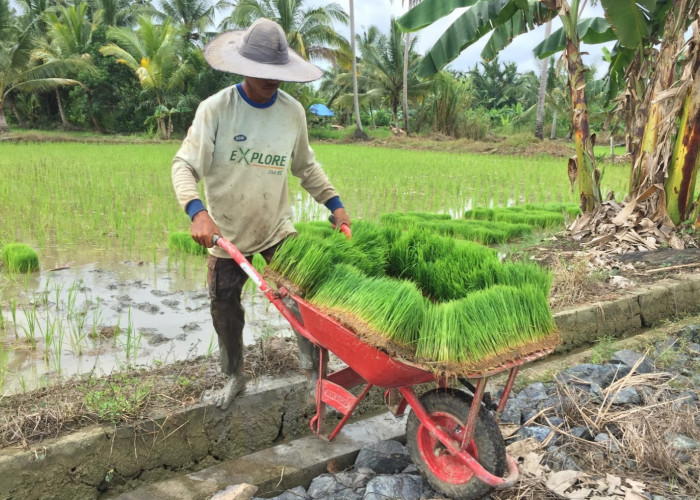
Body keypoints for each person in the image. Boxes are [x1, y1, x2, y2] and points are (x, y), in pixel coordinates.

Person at [171, 18, 351, 410]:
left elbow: (306, 166)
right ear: (243, 68)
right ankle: (233, 376)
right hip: (227, 234)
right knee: (225, 310)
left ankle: (314, 375)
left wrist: (335, 206)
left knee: (304, 302)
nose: (271, 80)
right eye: (261, 72)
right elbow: (183, 166)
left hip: (276, 228)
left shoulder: (292, 112)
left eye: (277, 73)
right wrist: (197, 212)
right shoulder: (215, 109)